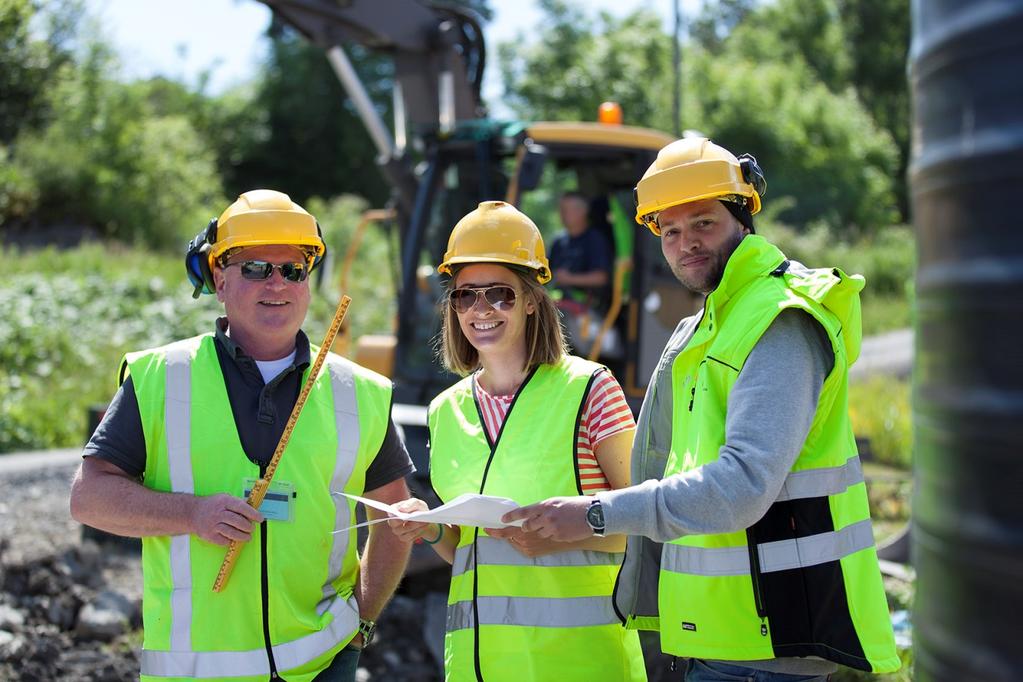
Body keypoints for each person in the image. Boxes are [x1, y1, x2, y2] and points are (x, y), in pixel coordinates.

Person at [502, 139, 901, 680]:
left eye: (703, 223)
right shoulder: (704, 328)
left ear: (743, 219)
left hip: (769, 645)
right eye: (669, 231)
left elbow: (741, 486)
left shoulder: (778, 320)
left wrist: (595, 513)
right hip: (722, 636)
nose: (685, 243)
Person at [70, 189, 416, 682]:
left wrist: (360, 619)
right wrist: (192, 514)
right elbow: (89, 498)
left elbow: (393, 516)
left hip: (320, 667)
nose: (277, 282)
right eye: (256, 267)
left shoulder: (357, 391)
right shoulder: (161, 377)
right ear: (219, 278)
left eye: (293, 269)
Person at [388, 201, 647, 681]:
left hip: (578, 664)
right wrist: (428, 527)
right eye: (466, 296)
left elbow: (650, 524)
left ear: (531, 298)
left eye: (499, 295)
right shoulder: (445, 410)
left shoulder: (589, 389)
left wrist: (567, 532)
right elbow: (466, 547)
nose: (481, 310)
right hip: (477, 667)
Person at [549, 191, 614, 308]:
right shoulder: (558, 242)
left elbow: (601, 278)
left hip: (589, 308)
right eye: (561, 210)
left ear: (583, 211)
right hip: (559, 305)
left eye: (566, 210)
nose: (562, 214)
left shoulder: (596, 240)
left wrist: (569, 279)